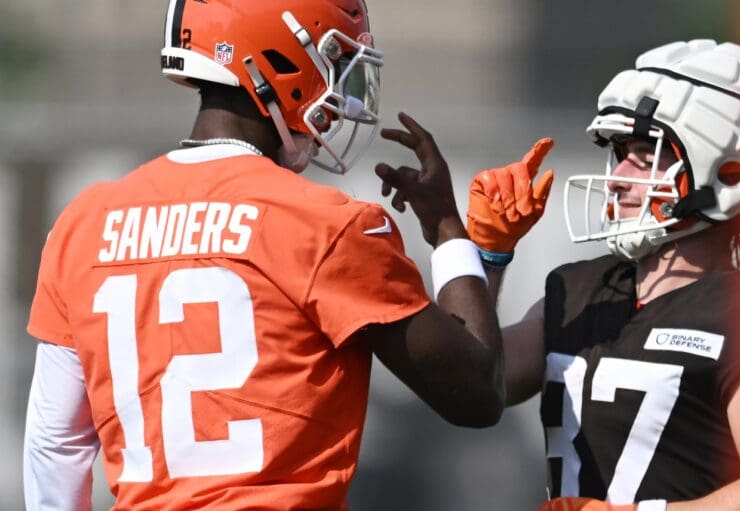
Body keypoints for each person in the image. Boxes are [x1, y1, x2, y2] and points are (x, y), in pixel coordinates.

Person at [22, 2, 506, 510]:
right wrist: (449, 231)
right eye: (333, 65)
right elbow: (477, 392)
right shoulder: (326, 223)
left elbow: (57, 442)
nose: (339, 96)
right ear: (279, 59)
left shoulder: (83, 223)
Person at [389, 39, 740, 511]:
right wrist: (478, 250)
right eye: (620, 153)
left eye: (644, 155)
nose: (617, 176)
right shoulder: (579, 290)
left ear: (731, 170)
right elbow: (472, 380)